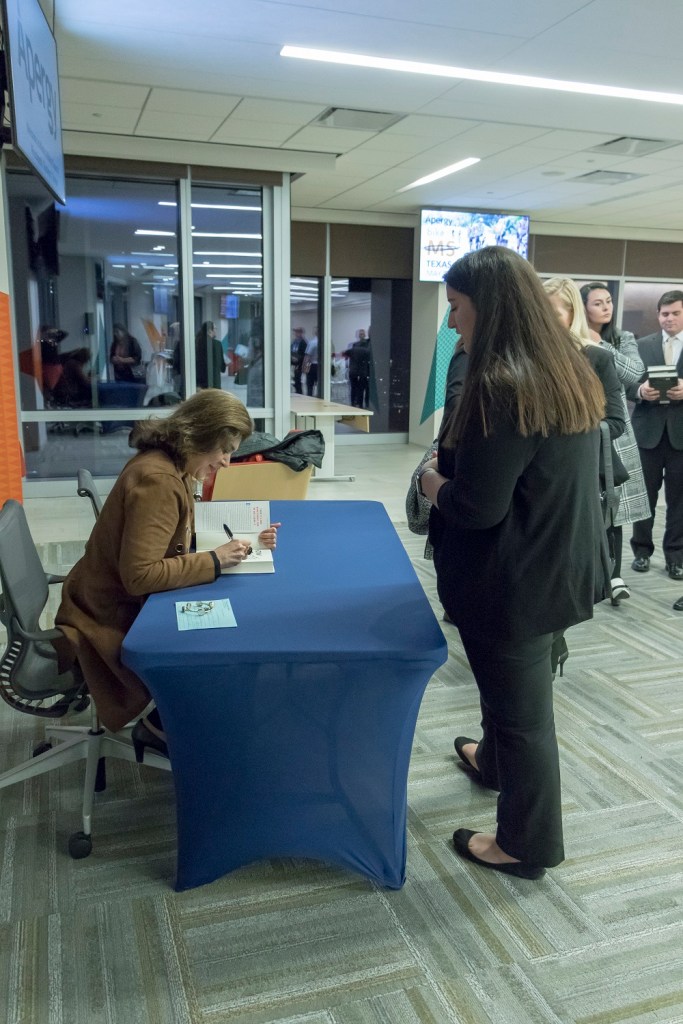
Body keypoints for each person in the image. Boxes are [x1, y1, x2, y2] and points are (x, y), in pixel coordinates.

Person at [418, 247, 605, 879]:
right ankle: (491, 765)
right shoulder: (565, 370)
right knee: (507, 692)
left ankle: (526, 845)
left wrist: (429, 485)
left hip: (512, 580)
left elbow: (475, 508)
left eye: (457, 307)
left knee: (526, 719)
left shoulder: (501, 387)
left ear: (487, 308)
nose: (452, 324)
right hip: (554, 565)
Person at [54, 389, 280, 759]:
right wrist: (216, 560)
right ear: (199, 437)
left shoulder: (164, 462)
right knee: (216, 646)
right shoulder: (159, 481)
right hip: (106, 617)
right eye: (223, 450)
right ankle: (159, 726)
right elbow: (140, 576)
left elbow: (167, 537)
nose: (226, 462)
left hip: (99, 597)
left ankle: (172, 720)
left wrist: (241, 541)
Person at [544, 278, 627, 605]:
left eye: (552, 312)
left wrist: (566, 430)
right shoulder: (525, 357)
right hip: (534, 476)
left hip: (581, 477)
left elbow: (616, 422)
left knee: (570, 568)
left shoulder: (595, 357)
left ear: (571, 314)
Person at [580, 282, 651, 595]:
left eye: (608, 301)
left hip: (616, 431)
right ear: (582, 308)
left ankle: (615, 575)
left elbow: (635, 373)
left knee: (616, 506)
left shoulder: (623, 338)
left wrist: (599, 344)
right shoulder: (571, 341)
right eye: (597, 303)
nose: (606, 307)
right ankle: (589, 573)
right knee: (586, 506)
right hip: (580, 429)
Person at [626, 290, 683, 580]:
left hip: (680, 438)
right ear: (658, 315)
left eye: (675, 313)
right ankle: (641, 553)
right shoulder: (641, 345)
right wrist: (640, 391)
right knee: (643, 498)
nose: (669, 318)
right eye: (664, 313)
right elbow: (626, 384)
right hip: (647, 432)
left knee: (679, 501)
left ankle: (676, 557)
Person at [195, 321, 225, 389]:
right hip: (213, 381)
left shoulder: (197, 343)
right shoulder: (216, 344)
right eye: (215, 329)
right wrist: (224, 366)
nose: (216, 331)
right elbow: (220, 363)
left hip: (199, 381)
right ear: (209, 331)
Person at [347, 330, 371, 408]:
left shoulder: (368, 344)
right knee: (355, 388)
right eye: (360, 334)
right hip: (356, 370)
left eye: (363, 334)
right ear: (358, 335)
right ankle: (354, 403)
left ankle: (363, 404)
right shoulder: (355, 345)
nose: (362, 335)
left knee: (364, 388)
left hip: (364, 370)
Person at [290, 327, 308, 394]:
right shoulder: (294, 342)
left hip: (299, 364)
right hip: (293, 363)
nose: (296, 333)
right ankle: (296, 391)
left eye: (297, 332)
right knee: (294, 379)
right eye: (295, 332)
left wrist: (299, 360)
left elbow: (305, 354)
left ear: (301, 333)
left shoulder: (303, 342)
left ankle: (299, 393)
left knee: (298, 379)